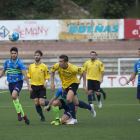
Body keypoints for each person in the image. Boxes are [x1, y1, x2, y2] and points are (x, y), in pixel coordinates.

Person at [51, 54, 96, 125]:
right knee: (76, 103)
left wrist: (84, 85)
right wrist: (52, 83)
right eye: (59, 61)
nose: (59, 63)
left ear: (66, 62)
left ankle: (74, 119)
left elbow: (83, 71)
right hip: (65, 85)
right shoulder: (57, 66)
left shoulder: (72, 68)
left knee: (68, 99)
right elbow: (52, 71)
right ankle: (90, 107)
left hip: (73, 83)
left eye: (61, 62)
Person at [0, 47, 30, 125]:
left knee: (14, 96)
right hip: (10, 83)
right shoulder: (7, 62)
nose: (13, 55)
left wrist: (29, 86)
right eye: (12, 53)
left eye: (15, 53)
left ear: (17, 54)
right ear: (10, 54)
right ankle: (24, 116)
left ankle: (18, 113)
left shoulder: (20, 63)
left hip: (18, 82)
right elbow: (3, 71)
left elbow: (25, 75)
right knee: (16, 100)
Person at [27, 50, 50, 122]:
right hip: (33, 86)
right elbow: (28, 76)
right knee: (36, 103)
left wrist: (46, 82)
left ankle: (48, 103)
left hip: (41, 87)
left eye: (38, 55)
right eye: (35, 55)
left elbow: (47, 76)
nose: (36, 56)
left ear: (41, 56)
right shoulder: (31, 66)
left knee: (42, 103)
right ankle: (42, 117)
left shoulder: (44, 66)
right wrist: (28, 85)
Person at [126, 48, 140, 121]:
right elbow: (134, 74)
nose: (139, 53)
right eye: (138, 52)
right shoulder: (137, 63)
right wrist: (129, 80)